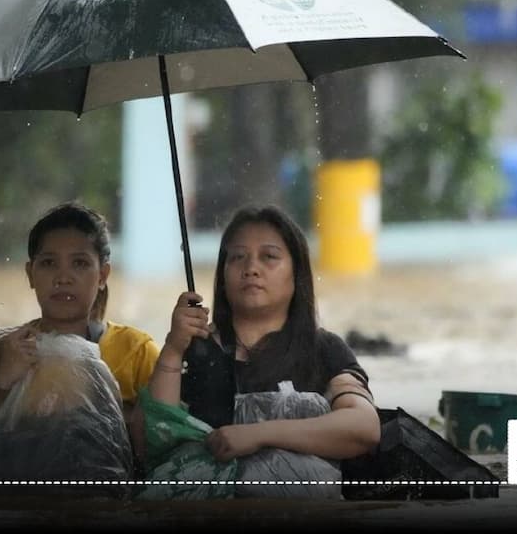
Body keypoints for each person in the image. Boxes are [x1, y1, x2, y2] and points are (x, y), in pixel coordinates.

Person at [138, 204, 379, 477]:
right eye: (238, 257)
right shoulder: (192, 349)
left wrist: (258, 435)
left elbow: (364, 427)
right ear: (223, 275)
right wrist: (172, 349)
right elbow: (151, 443)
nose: (251, 268)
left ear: (297, 274)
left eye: (269, 257)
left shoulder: (323, 349)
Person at [0, 202, 160, 477]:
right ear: (31, 274)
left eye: (79, 263)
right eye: (48, 263)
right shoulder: (1, 347)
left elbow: (166, 452)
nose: (63, 277)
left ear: (102, 275)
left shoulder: (136, 351)